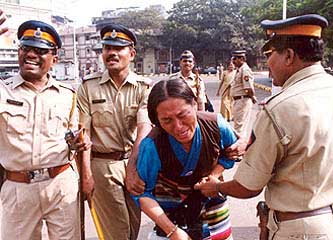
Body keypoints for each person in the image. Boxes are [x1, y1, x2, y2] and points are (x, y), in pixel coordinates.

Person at [195, 14, 333, 240]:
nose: (268, 63)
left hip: (302, 229)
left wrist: (216, 188)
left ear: (288, 56)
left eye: (270, 55)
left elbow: (249, 186)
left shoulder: (280, 108)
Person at [0, 20, 91, 239]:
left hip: (61, 183)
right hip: (18, 187)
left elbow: (74, 137)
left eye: (40, 50)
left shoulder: (68, 95)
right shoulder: (3, 91)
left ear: (55, 58)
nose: (31, 55)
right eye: (25, 48)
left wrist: (80, 147)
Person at [133, 79, 237, 240]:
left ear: (194, 104)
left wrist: (214, 176)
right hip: (171, 218)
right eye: (167, 121)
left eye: (183, 115)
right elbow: (142, 194)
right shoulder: (151, 146)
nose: (178, 127)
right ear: (157, 121)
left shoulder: (216, 125)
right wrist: (172, 231)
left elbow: (230, 154)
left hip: (214, 214)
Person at [77, 24, 152, 240]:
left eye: (118, 48)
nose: (112, 53)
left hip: (135, 162)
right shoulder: (88, 87)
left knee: (132, 228)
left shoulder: (143, 87)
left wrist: (133, 169)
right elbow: (84, 135)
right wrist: (86, 175)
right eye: (107, 48)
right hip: (102, 167)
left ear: (132, 53)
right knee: (116, 233)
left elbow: (144, 129)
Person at [230, 50, 257, 137]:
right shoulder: (239, 70)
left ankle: (239, 148)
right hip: (239, 100)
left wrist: (252, 96)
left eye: (235, 59)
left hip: (242, 100)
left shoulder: (245, 70)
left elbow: (248, 87)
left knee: (239, 127)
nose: (233, 61)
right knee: (239, 126)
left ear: (242, 59)